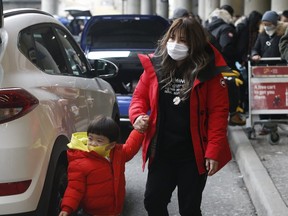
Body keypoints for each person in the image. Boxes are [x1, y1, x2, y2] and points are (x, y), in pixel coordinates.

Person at [129, 17, 232, 215]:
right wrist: (137, 116)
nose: (175, 44)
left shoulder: (210, 74)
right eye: (172, 38)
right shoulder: (156, 67)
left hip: (193, 155)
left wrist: (213, 151)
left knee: (189, 209)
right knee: (153, 201)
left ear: (195, 43)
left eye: (183, 40)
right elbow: (139, 98)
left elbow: (218, 115)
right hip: (161, 152)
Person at [58, 114, 149, 216]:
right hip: (92, 212)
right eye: (90, 138)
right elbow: (74, 188)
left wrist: (138, 131)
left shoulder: (117, 153)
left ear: (111, 145)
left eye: (99, 140)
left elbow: (130, 147)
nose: (93, 143)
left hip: (115, 209)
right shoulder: (79, 162)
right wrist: (67, 208)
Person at [251, 10, 288, 134]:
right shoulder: (261, 35)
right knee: (264, 97)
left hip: (279, 72)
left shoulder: (281, 35)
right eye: (264, 23)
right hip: (263, 73)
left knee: (278, 96)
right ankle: (266, 123)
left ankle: (275, 122)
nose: (267, 26)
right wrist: (255, 55)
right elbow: (255, 49)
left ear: (274, 23)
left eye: (269, 24)